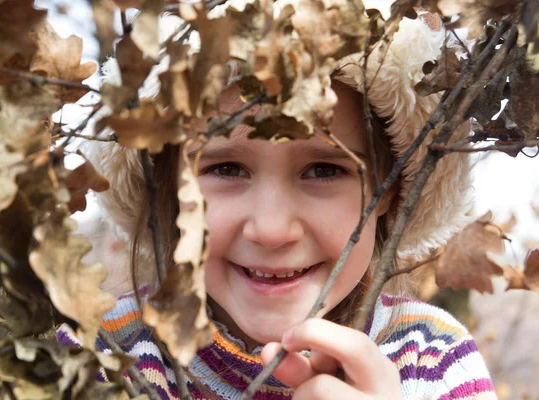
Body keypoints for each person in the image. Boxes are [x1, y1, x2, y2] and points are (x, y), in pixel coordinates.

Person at [58, 3, 496, 399]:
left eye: (325, 169)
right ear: (166, 186)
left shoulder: (435, 362)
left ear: (390, 191)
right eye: (226, 169)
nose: (270, 230)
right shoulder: (105, 352)